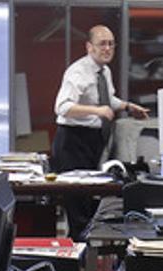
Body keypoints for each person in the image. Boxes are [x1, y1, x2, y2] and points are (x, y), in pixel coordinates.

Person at [51, 25, 148, 239]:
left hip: (92, 142)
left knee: (88, 204)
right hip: (72, 141)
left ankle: (86, 254)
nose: (107, 48)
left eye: (111, 44)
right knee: (78, 209)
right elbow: (62, 107)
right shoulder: (78, 72)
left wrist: (127, 106)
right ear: (89, 47)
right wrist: (97, 111)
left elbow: (107, 99)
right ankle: (80, 262)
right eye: (102, 44)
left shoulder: (104, 71)